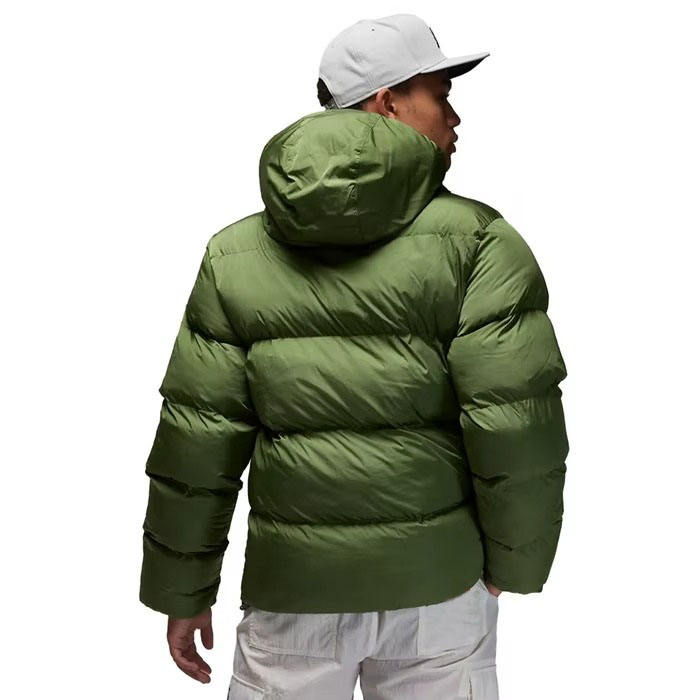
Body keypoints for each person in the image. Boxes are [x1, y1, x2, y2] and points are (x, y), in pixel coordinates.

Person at [139, 13, 569, 700]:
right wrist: (515, 563)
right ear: (388, 101)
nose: (455, 117)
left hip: (293, 595)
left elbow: (198, 441)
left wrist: (181, 587)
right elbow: (516, 424)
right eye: (441, 94)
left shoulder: (234, 254)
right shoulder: (480, 242)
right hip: (438, 591)